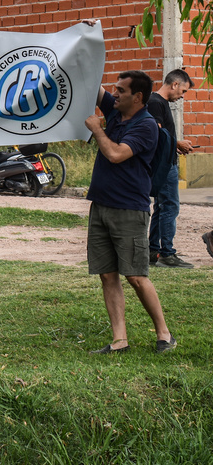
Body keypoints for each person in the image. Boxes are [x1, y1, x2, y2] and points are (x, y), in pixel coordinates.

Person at [84, 69, 176, 354]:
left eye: (121, 90)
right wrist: (86, 42)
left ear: (137, 97)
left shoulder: (146, 125)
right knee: (107, 274)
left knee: (136, 276)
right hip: (100, 205)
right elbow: (91, 84)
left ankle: (164, 334)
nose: (115, 94)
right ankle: (119, 340)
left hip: (129, 209)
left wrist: (97, 129)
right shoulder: (114, 111)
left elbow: (115, 154)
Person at [146, 69, 195, 268]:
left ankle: (152, 251)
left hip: (165, 163)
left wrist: (176, 144)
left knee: (161, 207)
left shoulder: (159, 103)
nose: (182, 96)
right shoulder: (156, 103)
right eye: (183, 91)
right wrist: (177, 144)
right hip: (164, 166)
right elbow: (156, 134)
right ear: (174, 84)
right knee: (170, 207)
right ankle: (167, 253)